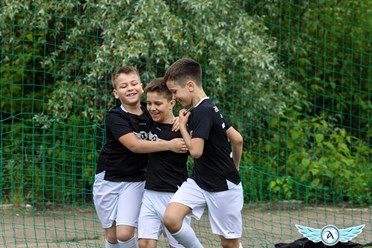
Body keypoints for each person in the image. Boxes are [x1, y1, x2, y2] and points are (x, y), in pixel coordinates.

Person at [93, 66, 187, 248]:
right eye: (123, 85)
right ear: (115, 93)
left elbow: (167, 112)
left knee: (125, 232)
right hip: (108, 179)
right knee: (112, 236)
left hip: (136, 180)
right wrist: (169, 145)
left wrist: (179, 118)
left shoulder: (150, 111)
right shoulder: (115, 116)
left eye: (134, 83)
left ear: (141, 87)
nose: (130, 88)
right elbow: (134, 145)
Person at [163, 58, 244, 248]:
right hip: (200, 181)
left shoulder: (202, 112)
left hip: (222, 186)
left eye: (175, 92)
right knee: (171, 218)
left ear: (190, 85)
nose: (174, 98)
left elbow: (196, 152)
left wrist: (183, 126)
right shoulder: (208, 107)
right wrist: (235, 167)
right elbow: (237, 139)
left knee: (229, 243)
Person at [138, 77, 191, 248]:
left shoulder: (183, 128)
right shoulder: (148, 123)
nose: (152, 108)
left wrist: (182, 121)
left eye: (158, 104)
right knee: (145, 243)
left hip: (175, 196)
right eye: (149, 103)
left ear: (172, 103)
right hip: (150, 193)